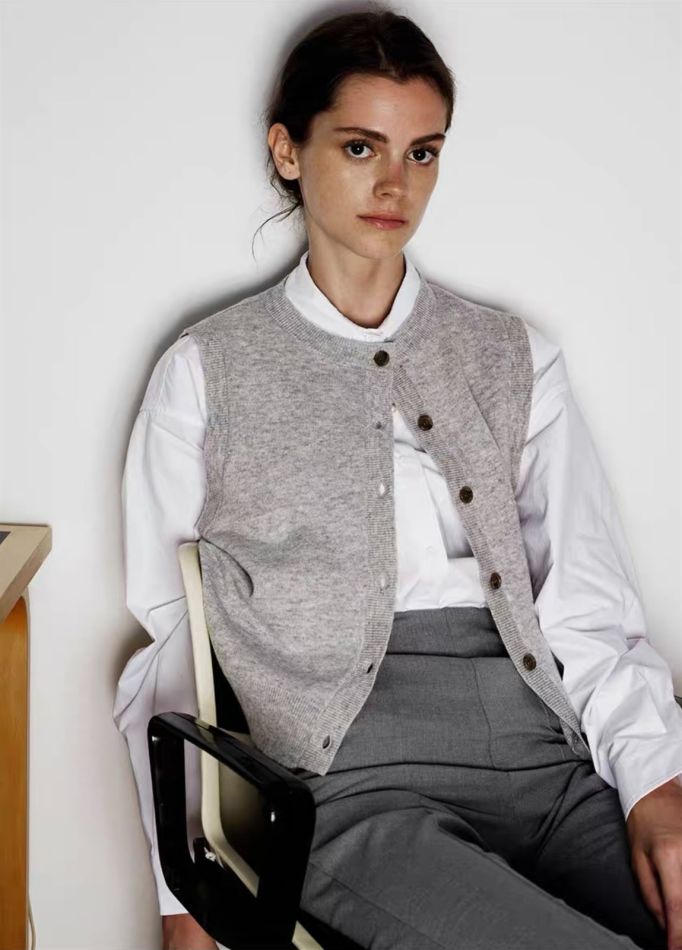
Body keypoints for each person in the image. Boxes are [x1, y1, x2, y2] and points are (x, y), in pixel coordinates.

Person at [113, 7, 682, 950]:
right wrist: (186, 897)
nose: (395, 184)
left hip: (544, 753)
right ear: (288, 152)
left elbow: (587, 600)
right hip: (348, 782)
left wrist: (657, 781)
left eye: (423, 153)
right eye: (359, 146)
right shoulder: (209, 372)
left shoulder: (513, 357)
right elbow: (173, 643)